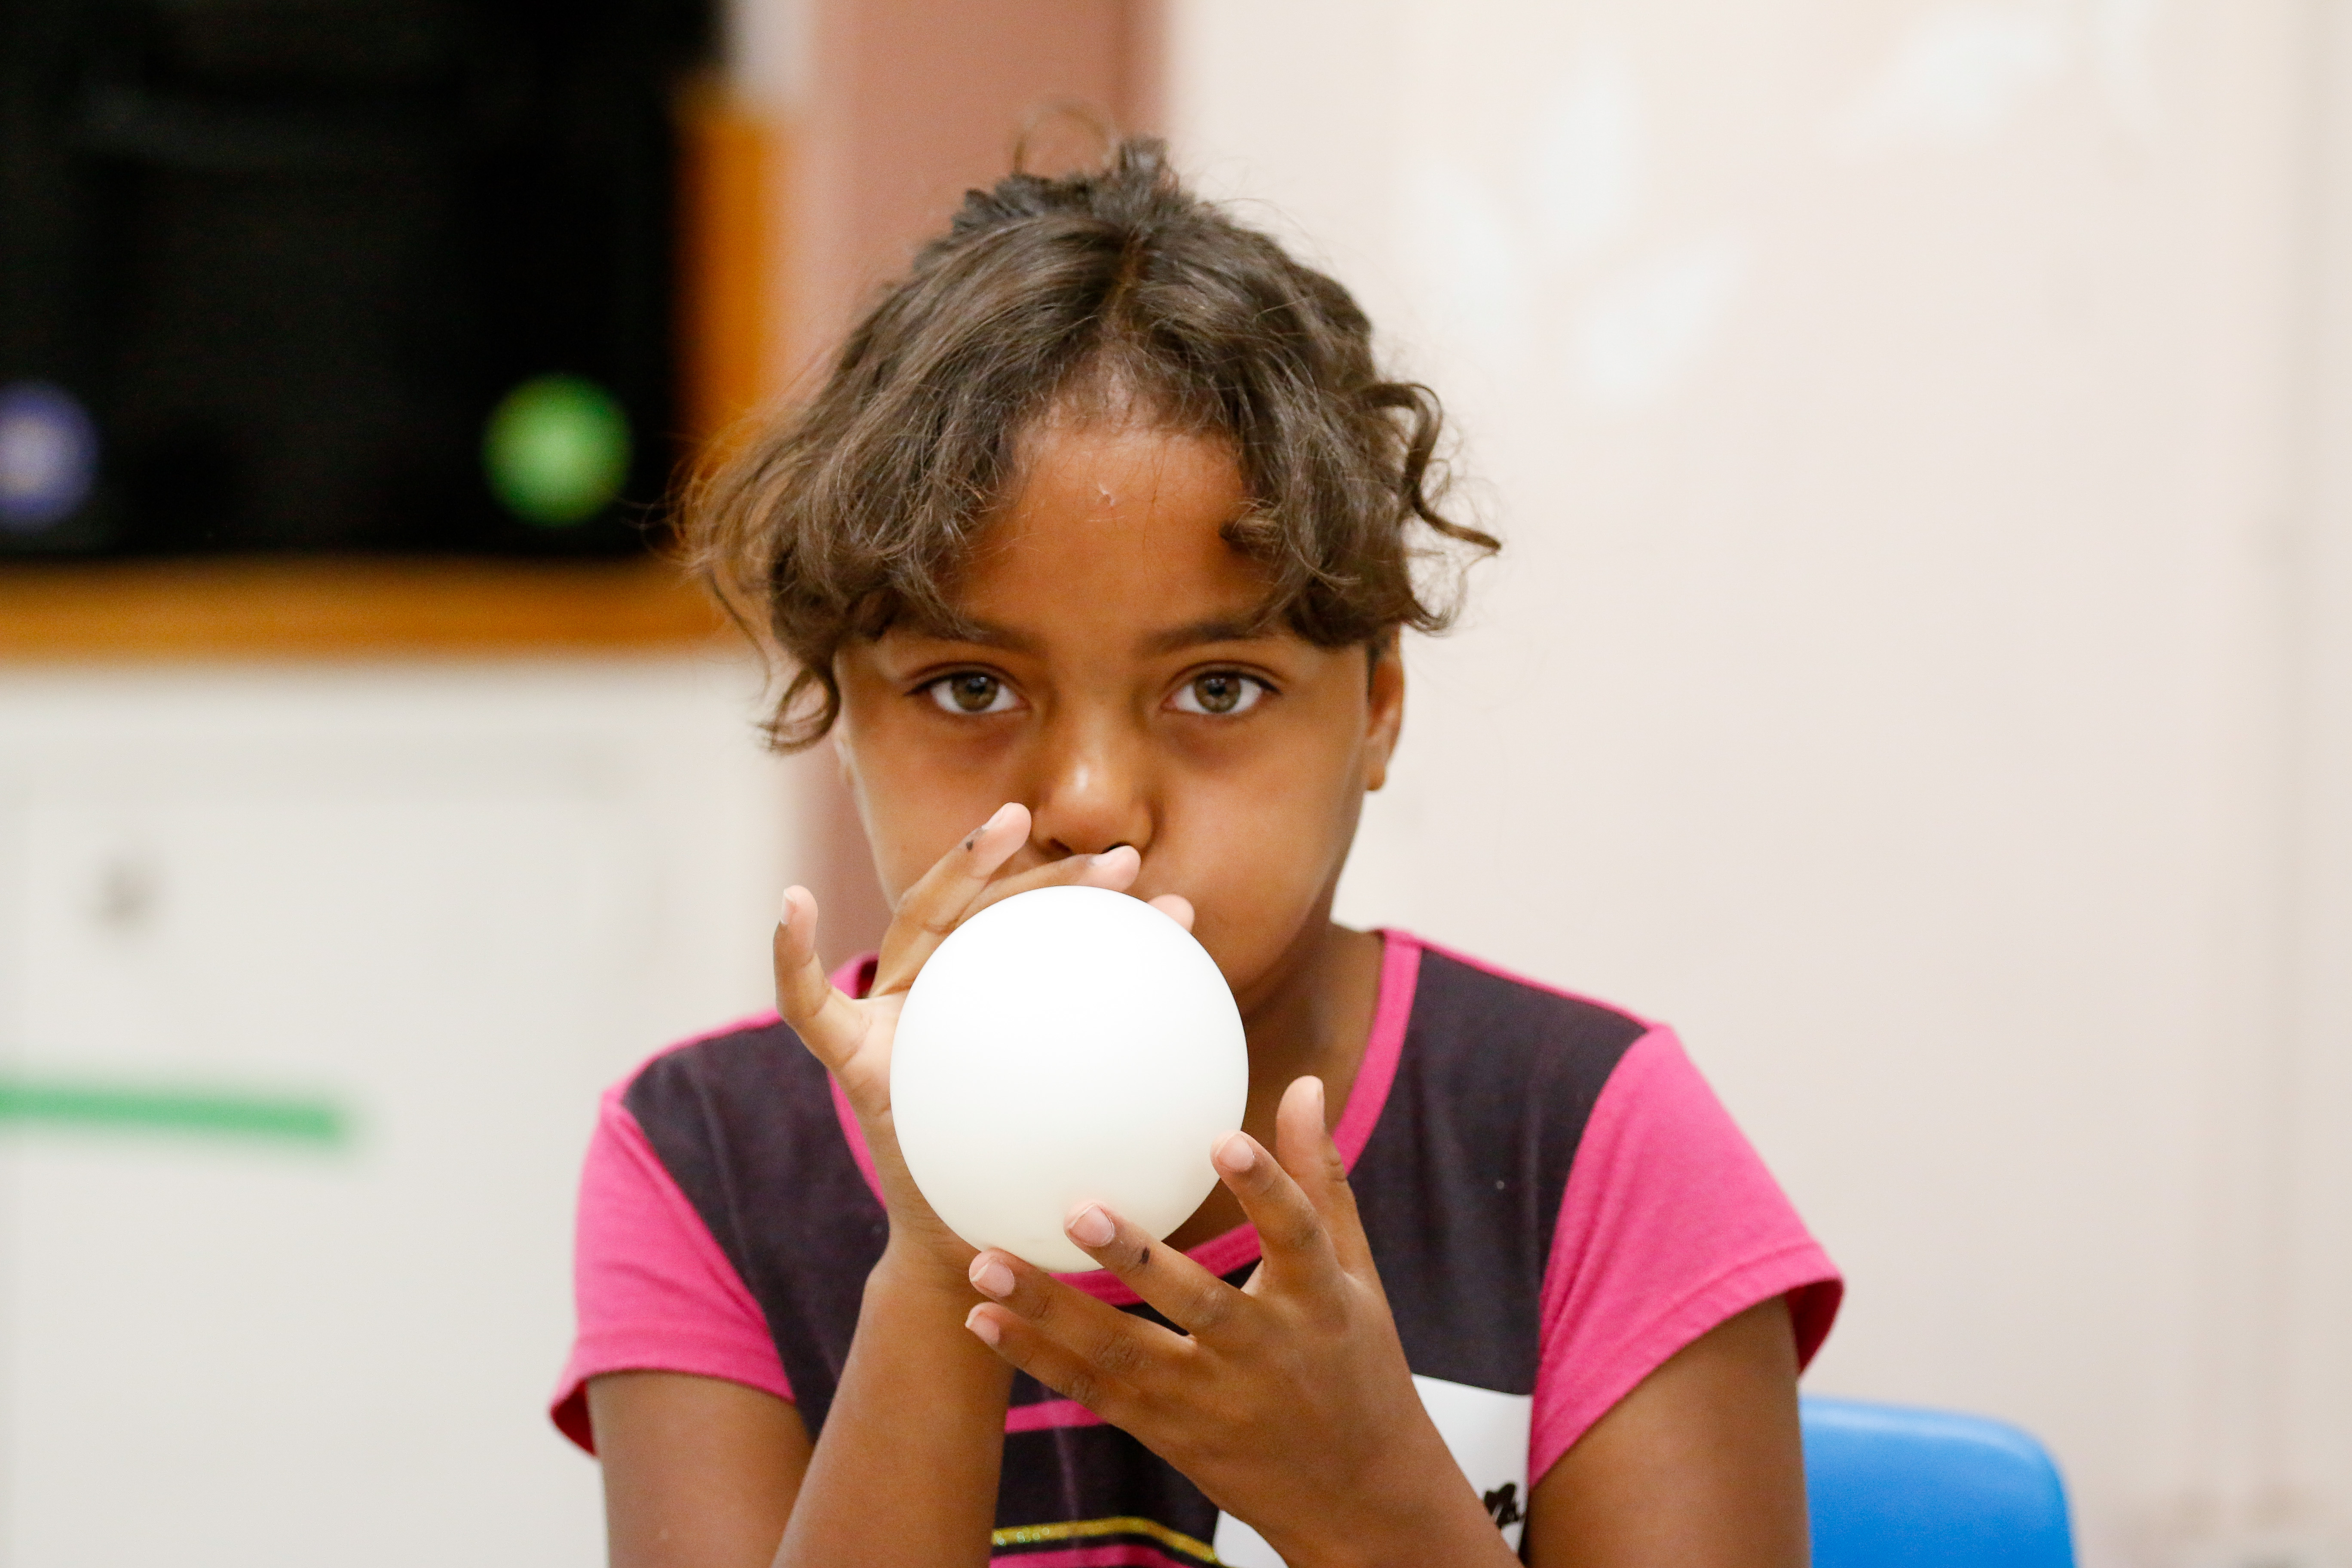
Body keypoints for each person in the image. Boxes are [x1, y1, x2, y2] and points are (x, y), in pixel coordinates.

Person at [551, 139, 1841, 1568]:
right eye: (972, 687)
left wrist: (1378, 1513)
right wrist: (937, 1264)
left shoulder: (1589, 1141)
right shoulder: (710, 1161)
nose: (1093, 802)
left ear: (1378, 711)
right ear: (840, 717)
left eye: (1217, 688)